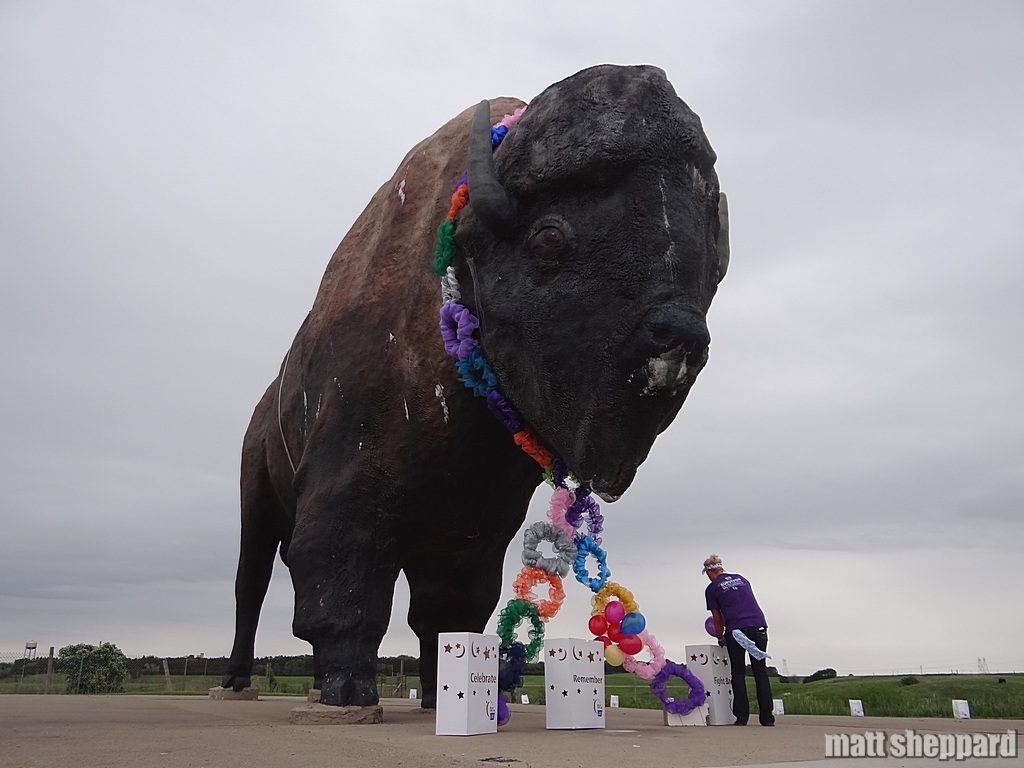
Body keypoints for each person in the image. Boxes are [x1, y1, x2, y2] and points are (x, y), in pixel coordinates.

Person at [703, 554, 775, 726]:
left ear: (709, 573)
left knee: (738, 672)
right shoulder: (742, 579)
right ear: (722, 569)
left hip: (736, 629)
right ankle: (767, 718)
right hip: (758, 625)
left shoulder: (712, 588)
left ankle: (742, 717)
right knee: (760, 672)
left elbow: (717, 619)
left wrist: (720, 637)